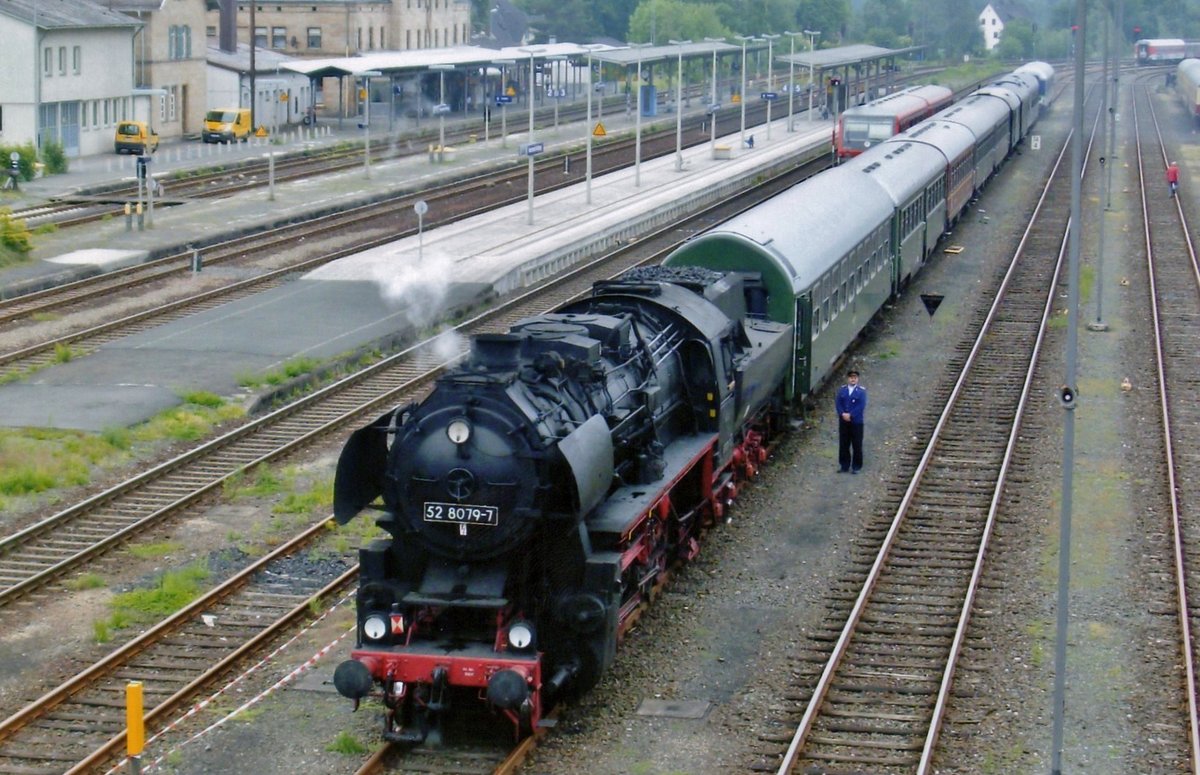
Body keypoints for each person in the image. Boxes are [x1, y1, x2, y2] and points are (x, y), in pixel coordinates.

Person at [835, 369, 867, 473]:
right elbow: (838, 403)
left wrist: (851, 415)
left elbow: (861, 406)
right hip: (844, 422)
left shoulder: (861, 392)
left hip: (856, 422)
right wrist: (842, 414)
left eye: (855, 378)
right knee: (844, 444)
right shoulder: (842, 390)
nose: (853, 379)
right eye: (851, 377)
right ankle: (844, 465)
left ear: (857, 379)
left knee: (857, 444)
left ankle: (856, 466)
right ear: (848, 379)